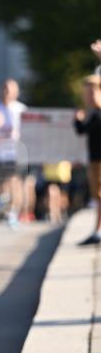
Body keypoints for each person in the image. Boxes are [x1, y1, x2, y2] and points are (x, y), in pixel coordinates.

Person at [0, 78, 27, 228]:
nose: (6, 92)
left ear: (16, 92)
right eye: (4, 89)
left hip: (14, 153)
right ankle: (2, 209)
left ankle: (13, 212)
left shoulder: (21, 109)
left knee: (14, 182)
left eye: (10, 89)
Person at [74, 75, 101, 245]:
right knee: (97, 196)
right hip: (94, 159)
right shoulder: (93, 114)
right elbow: (82, 130)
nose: (88, 97)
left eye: (91, 93)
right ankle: (97, 230)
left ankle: (98, 231)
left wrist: (78, 120)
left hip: (99, 160)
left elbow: (82, 129)